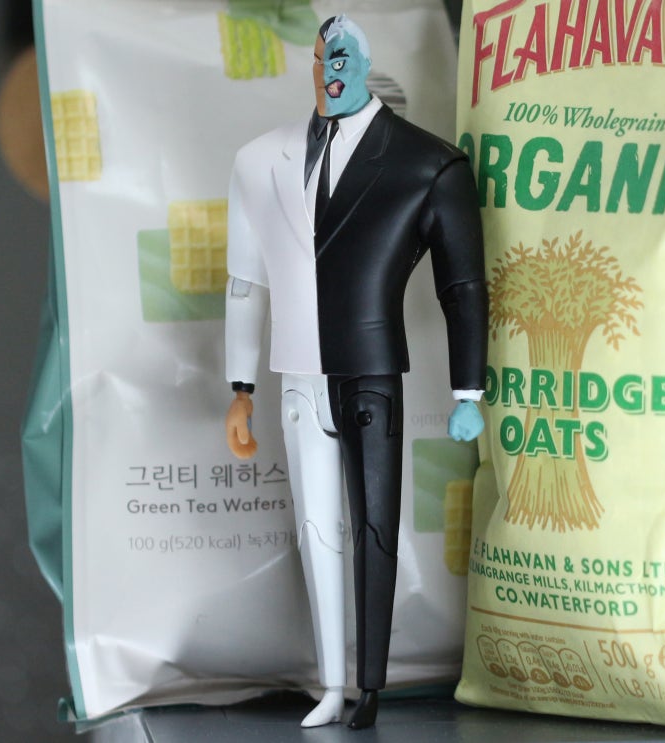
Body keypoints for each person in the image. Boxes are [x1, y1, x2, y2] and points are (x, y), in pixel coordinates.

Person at [224, 15, 487, 729]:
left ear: (364, 63)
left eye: (340, 57)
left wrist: (468, 389)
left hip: (371, 371)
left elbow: (461, 285)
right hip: (296, 375)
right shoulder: (260, 158)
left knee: (375, 525)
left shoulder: (427, 164)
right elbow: (246, 283)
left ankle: (370, 684)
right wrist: (239, 387)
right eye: (320, 58)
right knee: (316, 527)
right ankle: (331, 683)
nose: (329, 71)